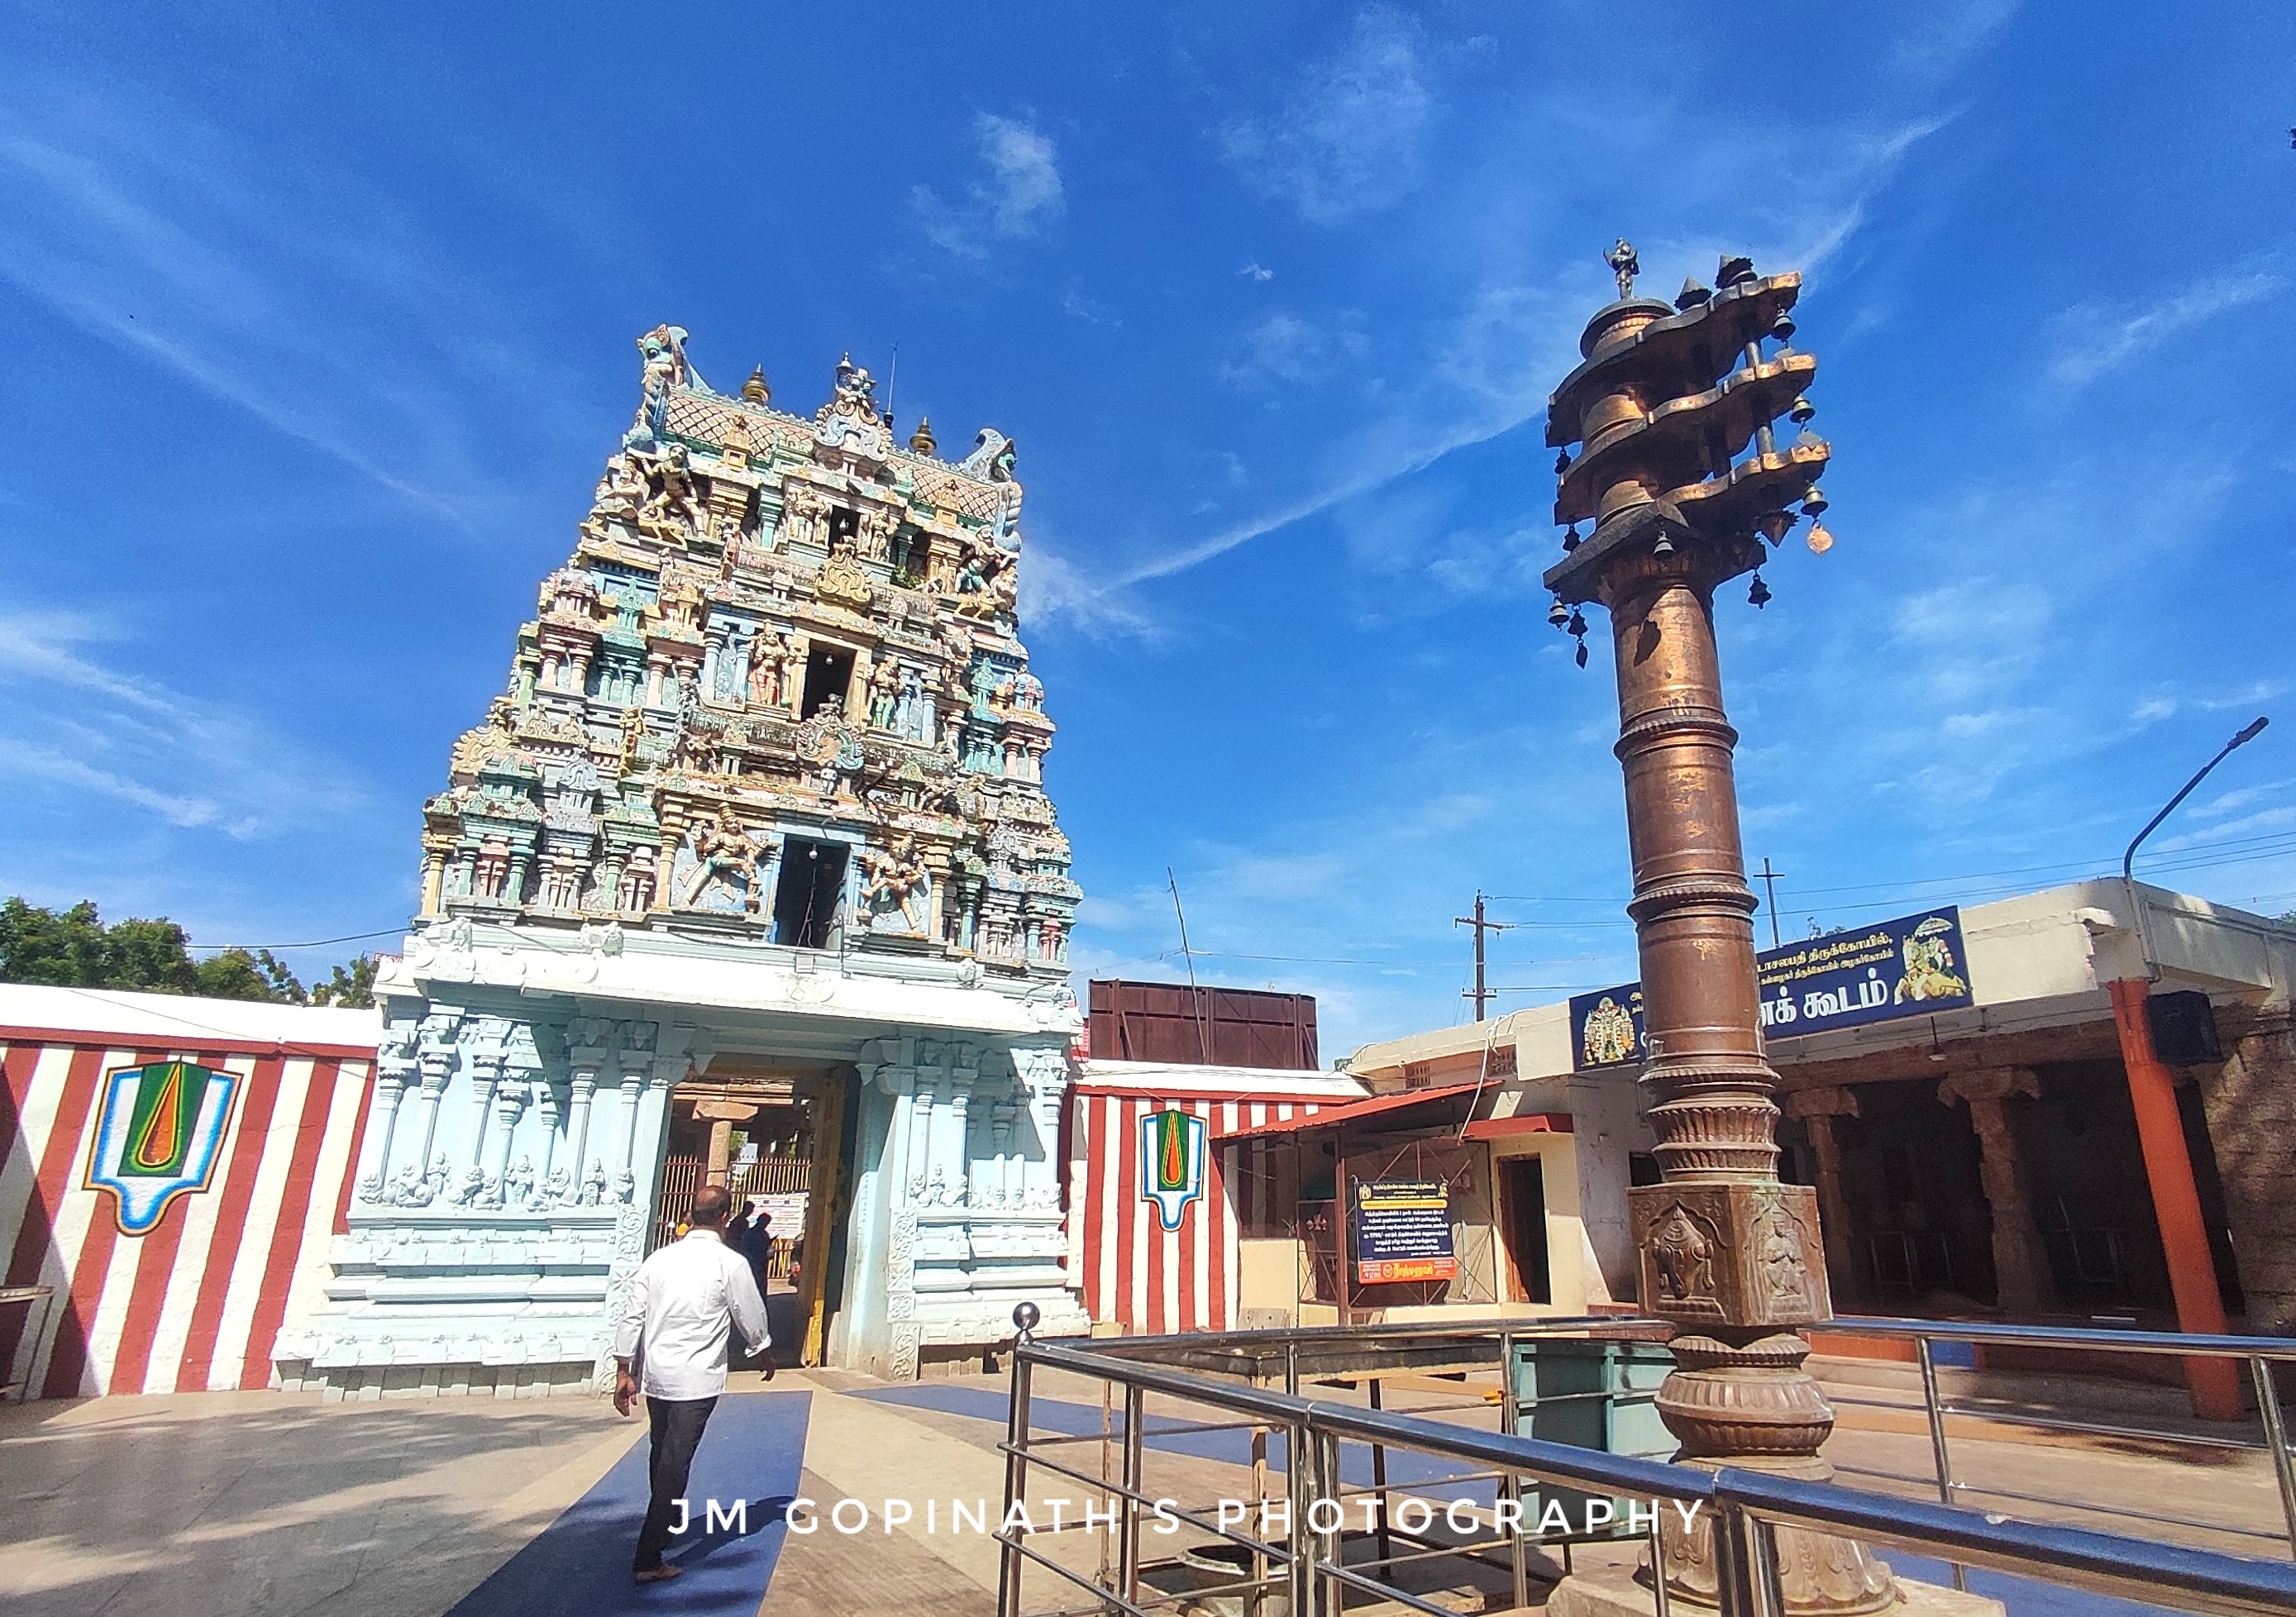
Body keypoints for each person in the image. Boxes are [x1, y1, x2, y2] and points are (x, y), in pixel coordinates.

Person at [613, 1183, 771, 1585]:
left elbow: (633, 1316)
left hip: (657, 1375)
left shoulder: (658, 1260)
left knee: (662, 1449)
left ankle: (666, 1517)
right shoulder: (730, 1263)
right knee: (674, 1462)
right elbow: (749, 1314)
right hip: (696, 1380)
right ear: (724, 1217)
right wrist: (762, 1351)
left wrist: (624, 1370)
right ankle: (649, 1557)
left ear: (692, 1213)